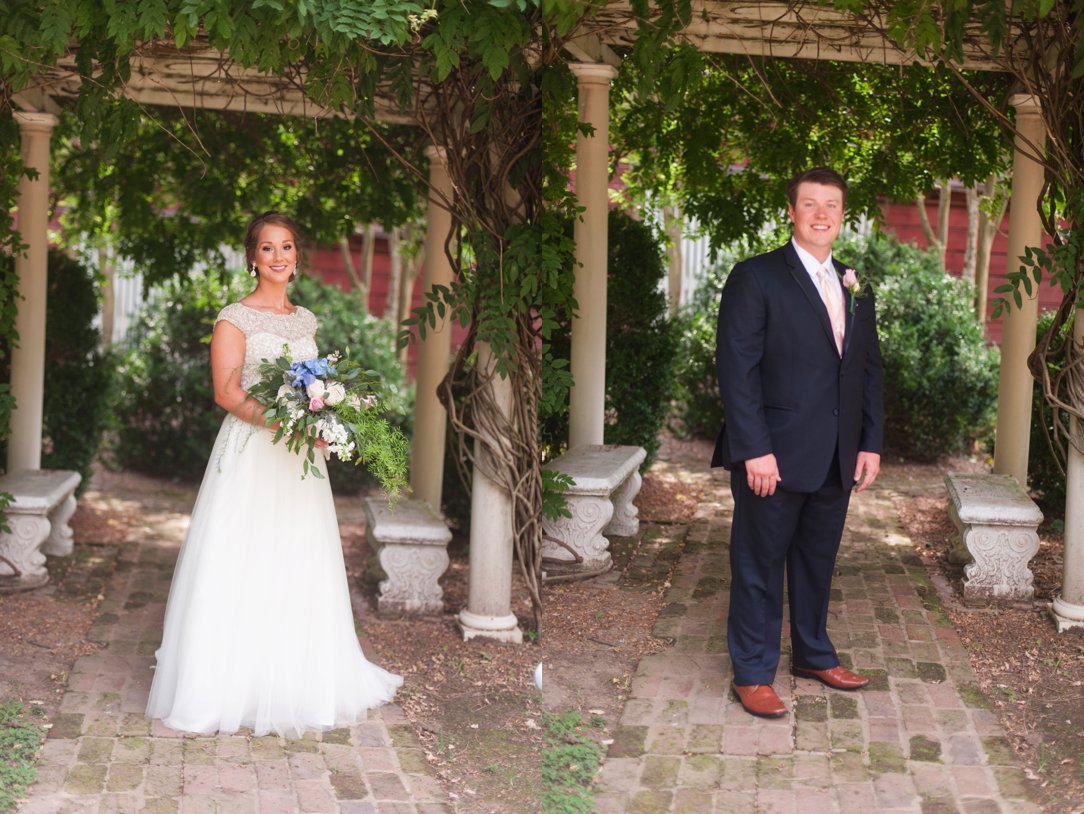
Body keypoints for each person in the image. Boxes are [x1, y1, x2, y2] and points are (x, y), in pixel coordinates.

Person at [146, 211, 402, 737]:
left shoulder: (305, 321)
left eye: (287, 247)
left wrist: (324, 417)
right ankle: (227, 684)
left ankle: (293, 680)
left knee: (297, 558)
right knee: (244, 557)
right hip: (254, 454)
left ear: (297, 257)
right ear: (252, 257)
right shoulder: (233, 318)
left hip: (300, 464)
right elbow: (227, 392)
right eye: (268, 248)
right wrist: (288, 425)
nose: (279, 257)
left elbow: (314, 385)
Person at [712, 168, 884, 718]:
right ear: (791, 212)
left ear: (842, 214)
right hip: (773, 455)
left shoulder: (856, 285)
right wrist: (753, 449)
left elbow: (867, 371)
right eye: (809, 204)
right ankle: (754, 671)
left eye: (830, 205)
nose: (821, 214)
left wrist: (869, 442)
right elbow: (736, 370)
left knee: (817, 561)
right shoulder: (756, 277)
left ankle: (812, 653)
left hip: (837, 455)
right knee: (759, 563)